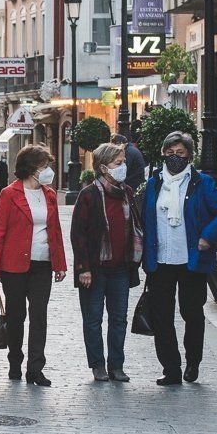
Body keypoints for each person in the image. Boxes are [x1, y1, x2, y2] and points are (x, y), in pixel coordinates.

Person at [141, 131, 217, 386]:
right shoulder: (154, 182)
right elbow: (145, 217)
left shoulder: (202, 183)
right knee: (161, 315)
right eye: (170, 153)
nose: (174, 158)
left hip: (191, 260)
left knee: (191, 313)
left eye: (180, 153)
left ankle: (193, 362)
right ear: (162, 153)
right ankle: (170, 368)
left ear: (189, 155)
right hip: (160, 261)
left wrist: (207, 237)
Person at [0, 145, 67, 387]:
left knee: (39, 316)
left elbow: (55, 231)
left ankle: (35, 369)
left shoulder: (50, 195)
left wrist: (60, 264)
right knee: (16, 316)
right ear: (32, 169)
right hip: (14, 264)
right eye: (45, 166)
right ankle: (15, 362)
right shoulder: (9, 194)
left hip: (42, 263)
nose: (49, 171)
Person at [71, 143, 142, 382]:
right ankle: (97, 365)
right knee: (93, 319)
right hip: (94, 269)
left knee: (119, 319)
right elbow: (78, 234)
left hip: (121, 268)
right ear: (103, 167)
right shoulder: (89, 194)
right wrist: (84, 268)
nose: (123, 167)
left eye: (123, 163)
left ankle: (117, 365)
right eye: (118, 163)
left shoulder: (127, 193)